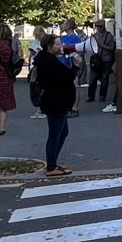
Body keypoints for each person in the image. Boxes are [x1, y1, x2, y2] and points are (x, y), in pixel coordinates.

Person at [33, 34, 76, 177]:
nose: (60, 46)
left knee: (62, 132)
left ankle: (52, 162)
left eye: (60, 43)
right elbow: (66, 76)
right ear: (49, 46)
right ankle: (51, 167)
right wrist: (75, 66)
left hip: (56, 101)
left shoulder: (45, 59)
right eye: (57, 44)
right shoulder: (49, 61)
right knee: (55, 134)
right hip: (55, 101)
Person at [87, 19, 116, 107]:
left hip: (106, 59)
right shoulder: (94, 35)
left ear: (104, 26)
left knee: (104, 78)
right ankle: (90, 96)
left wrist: (101, 45)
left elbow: (112, 48)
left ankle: (102, 96)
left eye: (100, 27)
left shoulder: (109, 36)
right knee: (93, 78)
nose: (98, 28)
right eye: (97, 27)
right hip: (96, 59)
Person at [27, 25, 48, 119]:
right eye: (36, 36)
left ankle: (43, 108)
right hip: (35, 67)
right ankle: (40, 107)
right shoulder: (35, 42)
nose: (38, 37)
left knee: (42, 88)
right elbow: (31, 55)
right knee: (35, 88)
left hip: (44, 66)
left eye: (39, 35)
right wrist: (29, 65)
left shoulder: (48, 41)